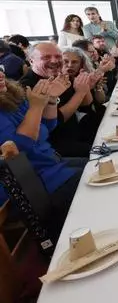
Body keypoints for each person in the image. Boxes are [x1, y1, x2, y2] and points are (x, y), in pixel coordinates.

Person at [0, 70, 83, 242]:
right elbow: (19, 151)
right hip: (32, 186)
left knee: (100, 163)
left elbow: (46, 126)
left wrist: (51, 100)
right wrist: (36, 107)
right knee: (97, 178)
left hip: (50, 166)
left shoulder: (9, 95)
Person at [20, 43, 97, 157]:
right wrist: (80, 94)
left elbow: (85, 107)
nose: (54, 61)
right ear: (31, 61)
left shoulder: (59, 77)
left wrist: (86, 88)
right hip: (55, 146)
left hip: (77, 133)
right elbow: (57, 122)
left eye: (58, 56)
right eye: (46, 57)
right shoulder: (26, 87)